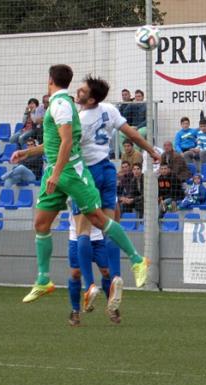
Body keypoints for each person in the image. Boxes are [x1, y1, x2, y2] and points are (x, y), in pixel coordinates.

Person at [14, 64, 150, 304]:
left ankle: (137, 260)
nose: (80, 91)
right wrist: (28, 153)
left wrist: (56, 174)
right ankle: (44, 279)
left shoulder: (60, 105)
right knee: (41, 223)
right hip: (58, 171)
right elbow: (58, 141)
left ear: (50, 80)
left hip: (73, 172)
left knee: (96, 221)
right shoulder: (66, 104)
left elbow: (67, 142)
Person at [66, 214, 114, 326]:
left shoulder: (99, 195)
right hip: (76, 237)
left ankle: (112, 306)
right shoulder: (68, 195)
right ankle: (75, 311)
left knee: (107, 271)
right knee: (76, 273)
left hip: (97, 238)